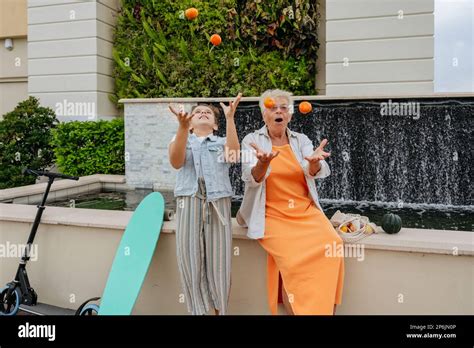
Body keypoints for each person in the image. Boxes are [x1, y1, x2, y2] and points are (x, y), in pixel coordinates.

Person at [236, 89, 344, 315]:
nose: (278, 111)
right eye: (272, 107)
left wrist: (314, 163)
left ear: (290, 115)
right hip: (271, 214)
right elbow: (250, 177)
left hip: (305, 211)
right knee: (293, 262)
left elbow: (313, 169)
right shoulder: (252, 140)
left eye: (283, 108)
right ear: (263, 114)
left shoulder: (301, 140)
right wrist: (262, 165)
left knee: (332, 244)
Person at [168, 94, 241, 315]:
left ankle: (220, 311)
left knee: (220, 263)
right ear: (190, 122)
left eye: (208, 113)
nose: (202, 113)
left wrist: (230, 118)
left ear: (215, 124)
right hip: (189, 201)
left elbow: (234, 155)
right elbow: (176, 161)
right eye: (197, 112)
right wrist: (181, 129)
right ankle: (197, 311)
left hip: (217, 203)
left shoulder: (221, 142)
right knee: (190, 258)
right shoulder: (179, 138)